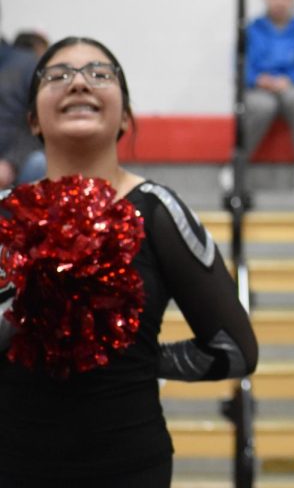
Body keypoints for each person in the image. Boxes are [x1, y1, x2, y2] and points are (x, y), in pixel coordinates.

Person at [0, 36, 258, 486]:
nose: (79, 84)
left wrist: (137, 356)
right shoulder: (3, 215)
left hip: (128, 468)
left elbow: (234, 351)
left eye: (100, 74)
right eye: (58, 76)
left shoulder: (159, 211)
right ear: (33, 121)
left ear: (126, 116)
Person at [222, 0, 294, 195]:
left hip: (291, 89)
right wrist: (260, 79)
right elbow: (241, 69)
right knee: (263, 105)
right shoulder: (251, 30)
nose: (280, 0)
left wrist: (287, 81)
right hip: (259, 91)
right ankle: (238, 164)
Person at [0, 10, 44, 189]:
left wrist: (11, 163)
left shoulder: (26, 65)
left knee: (39, 163)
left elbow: (37, 124)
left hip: (16, 160)